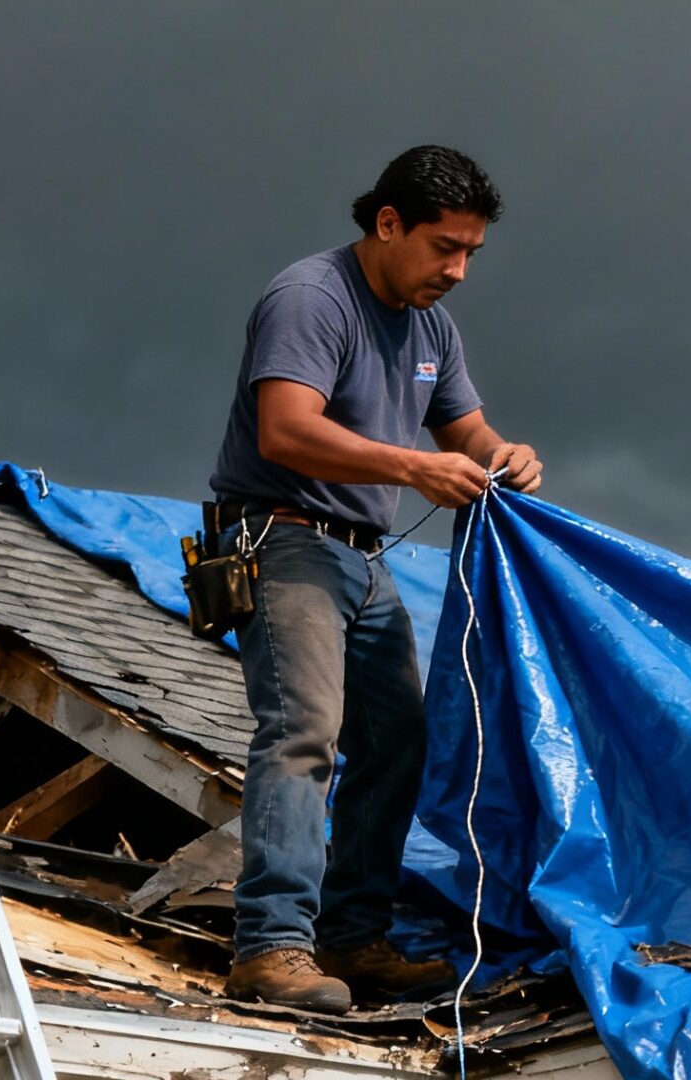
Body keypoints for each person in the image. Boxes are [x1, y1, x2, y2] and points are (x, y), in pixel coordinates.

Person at [208, 144, 543, 1013]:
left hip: (362, 555)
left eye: (471, 252)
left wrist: (505, 455)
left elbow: (465, 429)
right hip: (284, 541)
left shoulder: (432, 326)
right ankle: (271, 946)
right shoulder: (312, 299)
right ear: (387, 224)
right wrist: (411, 467)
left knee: (398, 742)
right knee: (304, 731)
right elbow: (284, 430)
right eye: (444, 247)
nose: (458, 270)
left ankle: (352, 937)